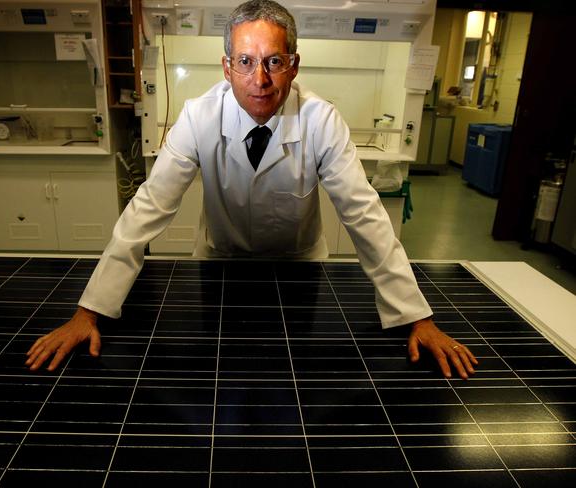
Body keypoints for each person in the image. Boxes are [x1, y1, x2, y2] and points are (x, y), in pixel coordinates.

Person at [26, 0, 478, 379]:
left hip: (299, 268)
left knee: (294, 375)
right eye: (245, 61)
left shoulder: (321, 121)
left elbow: (366, 218)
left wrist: (417, 317)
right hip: (218, 265)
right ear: (226, 67)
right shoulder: (198, 117)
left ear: (293, 65)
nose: (259, 79)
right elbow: (147, 209)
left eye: (273, 62)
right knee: (218, 374)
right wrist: (89, 312)